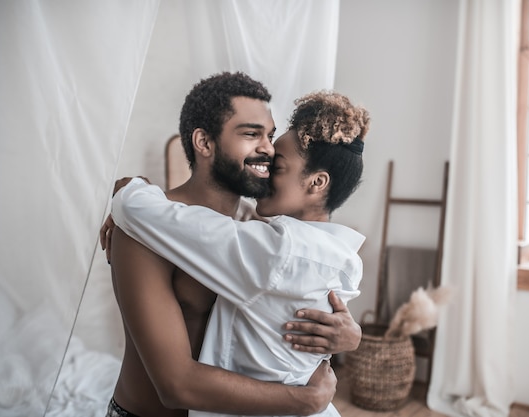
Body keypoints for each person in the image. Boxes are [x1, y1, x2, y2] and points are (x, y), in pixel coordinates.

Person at [101, 72, 362, 417]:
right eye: (251, 134)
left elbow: (302, 289)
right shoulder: (142, 233)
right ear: (204, 143)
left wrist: (349, 333)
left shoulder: (260, 231)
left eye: (269, 135)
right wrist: (306, 401)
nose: (268, 148)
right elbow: (175, 385)